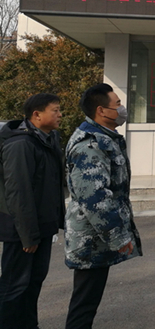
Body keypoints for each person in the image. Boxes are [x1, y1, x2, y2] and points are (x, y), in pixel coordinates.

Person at [64, 83, 142, 329]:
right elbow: (95, 198)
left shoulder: (104, 138)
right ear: (101, 110)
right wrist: (119, 236)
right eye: (117, 104)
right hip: (90, 240)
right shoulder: (90, 145)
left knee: (87, 301)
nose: (122, 109)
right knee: (84, 304)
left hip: (96, 238)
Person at [0, 94, 64, 329]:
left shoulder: (49, 138)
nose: (60, 115)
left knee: (33, 283)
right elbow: (18, 192)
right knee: (14, 286)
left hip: (42, 226)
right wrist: (27, 234)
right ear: (37, 115)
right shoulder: (21, 144)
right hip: (22, 230)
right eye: (55, 110)